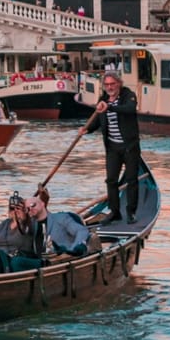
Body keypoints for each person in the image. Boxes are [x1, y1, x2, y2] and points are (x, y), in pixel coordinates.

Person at [79, 71, 140, 225]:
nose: (110, 87)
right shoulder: (103, 100)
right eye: (107, 84)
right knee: (111, 180)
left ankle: (131, 212)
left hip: (129, 146)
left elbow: (130, 109)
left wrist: (110, 108)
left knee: (132, 180)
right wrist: (87, 129)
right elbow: (99, 119)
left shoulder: (128, 95)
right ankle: (115, 212)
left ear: (119, 83)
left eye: (113, 84)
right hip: (112, 147)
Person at [25, 192, 91, 257]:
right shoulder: (30, 225)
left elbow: (82, 231)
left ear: (42, 204)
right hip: (40, 261)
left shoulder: (61, 218)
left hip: (63, 259)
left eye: (33, 205)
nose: (30, 209)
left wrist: (72, 249)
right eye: (27, 208)